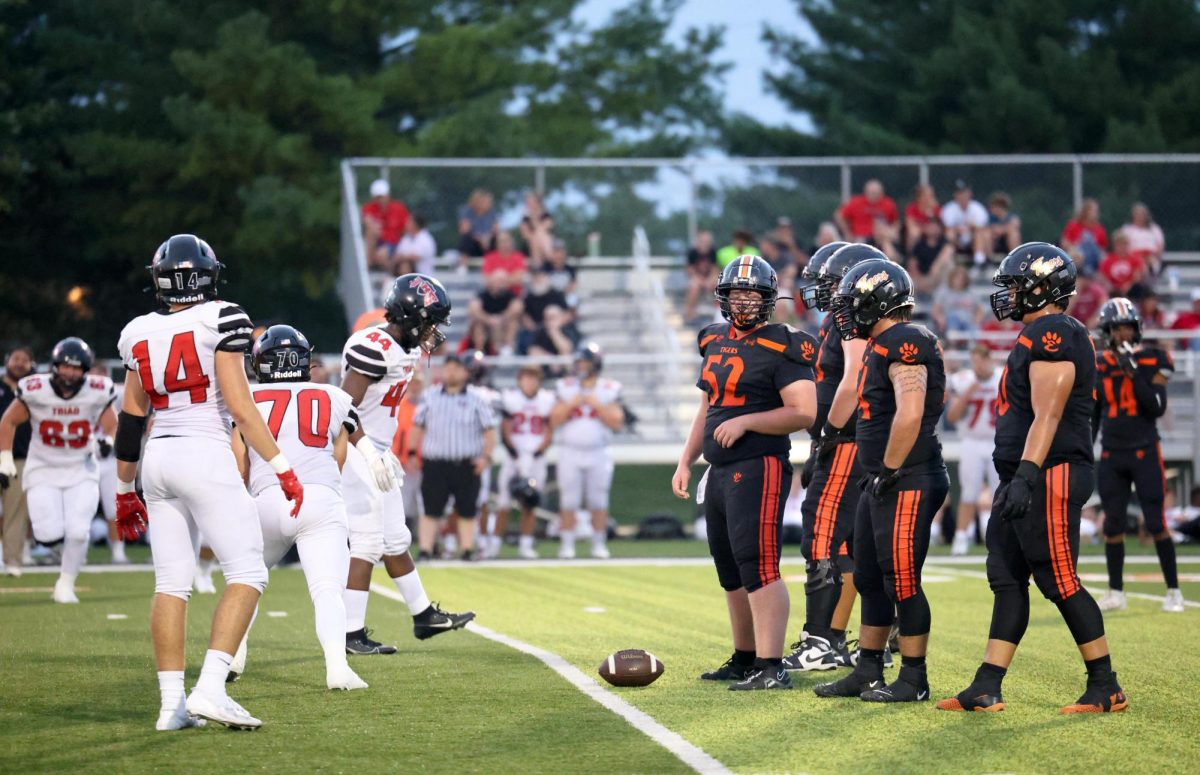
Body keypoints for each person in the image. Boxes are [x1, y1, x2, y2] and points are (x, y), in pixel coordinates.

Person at [114, 234, 305, 730]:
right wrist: (282, 467)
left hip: (157, 459)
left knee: (170, 584)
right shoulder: (223, 317)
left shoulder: (137, 330)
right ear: (208, 274)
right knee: (248, 573)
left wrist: (122, 487)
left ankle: (171, 706)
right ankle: (211, 688)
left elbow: (131, 418)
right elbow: (241, 406)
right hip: (205, 451)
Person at [939, 242, 1127, 715]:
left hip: (1049, 472)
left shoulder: (1054, 331)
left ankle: (1106, 685)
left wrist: (1026, 474)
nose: (1009, 293)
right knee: (1005, 575)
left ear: (1046, 288)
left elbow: (1049, 413)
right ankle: (987, 685)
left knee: (1058, 577)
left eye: (1018, 284)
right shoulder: (1037, 332)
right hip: (1024, 474)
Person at [673, 255, 817, 691]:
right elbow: (708, 408)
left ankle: (772, 665)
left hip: (760, 464)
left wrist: (748, 422)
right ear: (723, 297)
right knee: (730, 568)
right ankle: (745, 657)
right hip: (719, 469)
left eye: (752, 294)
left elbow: (804, 411)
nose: (744, 302)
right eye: (737, 294)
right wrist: (685, 460)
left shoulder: (785, 343)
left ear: (769, 299)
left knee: (758, 564)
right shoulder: (713, 339)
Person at [232, 325, 399, 690]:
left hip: (266, 499)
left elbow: (239, 460)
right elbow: (351, 435)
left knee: (245, 581)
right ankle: (337, 668)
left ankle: (233, 658)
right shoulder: (330, 395)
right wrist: (373, 460)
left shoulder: (246, 397)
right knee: (327, 590)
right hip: (319, 500)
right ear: (304, 360)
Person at [814, 258, 949, 704]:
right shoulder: (880, 342)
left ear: (878, 301)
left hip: (907, 477)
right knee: (870, 577)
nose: (847, 312)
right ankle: (867, 669)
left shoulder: (906, 340)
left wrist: (889, 467)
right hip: (884, 478)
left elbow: (910, 412)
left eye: (854, 302)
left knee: (902, 579)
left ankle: (914, 678)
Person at [339, 274, 474, 655]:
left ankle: (423, 615)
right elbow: (342, 411)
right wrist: (368, 452)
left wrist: (381, 450)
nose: (434, 330)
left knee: (396, 539)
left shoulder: (408, 348)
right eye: (430, 321)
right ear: (410, 317)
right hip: (354, 448)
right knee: (366, 544)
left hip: (377, 449)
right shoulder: (374, 346)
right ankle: (350, 635)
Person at [786, 242, 875, 673]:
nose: (822, 289)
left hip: (847, 441)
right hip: (848, 441)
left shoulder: (853, 321)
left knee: (820, 535)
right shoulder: (842, 321)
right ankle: (836, 638)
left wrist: (829, 435)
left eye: (830, 281)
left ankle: (818, 640)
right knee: (847, 545)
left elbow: (854, 377)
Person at [0, 338, 116, 602]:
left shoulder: (97, 389)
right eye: (66, 366)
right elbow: (8, 421)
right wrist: (5, 458)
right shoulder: (35, 388)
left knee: (78, 531)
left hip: (81, 468)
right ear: (55, 366)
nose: (70, 373)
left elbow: (111, 421)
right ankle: (50, 547)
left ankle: (66, 584)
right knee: (47, 534)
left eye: (77, 368)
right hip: (43, 468)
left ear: (85, 371)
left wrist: (108, 440)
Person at [1092, 299, 1183, 613]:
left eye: (1127, 327)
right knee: (1113, 525)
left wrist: (1133, 374)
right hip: (1112, 452)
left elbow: (1155, 407)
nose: (1123, 334)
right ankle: (1116, 592)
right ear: (1108, 331)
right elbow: (1094, 414)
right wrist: (1083, 451)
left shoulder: (1155, 358)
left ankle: (1173, 590)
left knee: (1156, 522)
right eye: (1117, 329)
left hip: (1145, 450)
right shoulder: (1099, 364)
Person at [413, 354, 497, 561]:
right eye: (447, 367)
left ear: (465, 372)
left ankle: (467, 548)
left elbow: (489, 430)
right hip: (436, 463)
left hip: (465, 462)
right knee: (431, 509)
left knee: (467, 509)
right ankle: (426, 548)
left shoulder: (477, 399)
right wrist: (412, 452)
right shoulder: (430, 396)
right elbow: (417, 425)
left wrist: (486, 457)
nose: (450, 372)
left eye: (455, 368)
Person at [551, 343, 624, 560]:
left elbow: (616, 422)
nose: (580, 366)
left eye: (585, 362)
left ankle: (598, 544)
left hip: (598, 451)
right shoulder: (565, 386)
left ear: (595, 364)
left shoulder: (609, 388)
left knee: (598, 500)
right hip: (570, 451)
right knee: (569, 500)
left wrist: (597, 404)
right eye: (579, 362)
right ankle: (567, 544)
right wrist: (573, 402)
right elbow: (554, 420)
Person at [946, 344, 1002, 556]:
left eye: (982, 361)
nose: (978, 366)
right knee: (969, 493)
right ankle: (961, 537)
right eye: (975, 361)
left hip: (997, 441)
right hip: (972, 441)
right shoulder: (964, 380)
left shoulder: (1002, 377)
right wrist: (970, 392)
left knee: (1000, 493)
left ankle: (1001, 538)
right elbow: (952, 417)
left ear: (990, 360)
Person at [497, 365, 555, 559]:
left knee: (531, 502)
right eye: (527, 378)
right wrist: (514, 453)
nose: (530, 382)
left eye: (534, 378)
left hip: (536, 458)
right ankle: (494, 544)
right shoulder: (511, 398)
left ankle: (526, 544)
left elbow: (549, 430)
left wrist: (538, 453)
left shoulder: (546, 399)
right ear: (520, 379)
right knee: (503, 502)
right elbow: (505, 429)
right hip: (514, 456)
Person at [0, 346, 34, 576]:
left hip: (20, 458)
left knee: (16, 513)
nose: (19, 363)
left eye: (25, 360)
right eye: (16, 358)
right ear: (7, 360)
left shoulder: (33, 391)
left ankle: (13, 561)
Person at [468, 270, 524, 354]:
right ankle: (480, 350)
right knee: (478, 325)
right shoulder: (483, 294)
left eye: (503, 281)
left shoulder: (509, 294)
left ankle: (507, 349)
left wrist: (502, 318)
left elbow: (518, 306)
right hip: (487, 323)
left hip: (504, 322)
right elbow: (473, 308)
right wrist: (489, 319)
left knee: (513, 323)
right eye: (499, 281)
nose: (501, 284)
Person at [361, 179, 410, 272]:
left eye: (382, 196)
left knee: (382, 254)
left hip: (393, 243)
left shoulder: (398, 208)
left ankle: (389, 271)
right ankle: (370, 262)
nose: (380, 200)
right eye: (378, 197)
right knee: (371, 232)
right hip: (377, 242)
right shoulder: (369, 207)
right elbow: (368, 223)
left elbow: (406, 228)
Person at [835, 179, 898, 248]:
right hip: (861, 238)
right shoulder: (856, 203)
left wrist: (893, 231)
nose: (875, 196)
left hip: (881, 237)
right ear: (866, 192)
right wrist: (847, 233)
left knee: (886, 240)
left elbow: (895, 222)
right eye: (872, 193)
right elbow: (839, 215)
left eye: (877, 193)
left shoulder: (888, 204)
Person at [941, 180, 990, 267]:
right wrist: (959, 229)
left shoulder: (977, 208)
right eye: (959, 193)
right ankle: (950, 263)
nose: (962, 195)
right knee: (950, 233)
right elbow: (947, 228)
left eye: (964, 192)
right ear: (955, 195)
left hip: (973, 241)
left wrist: (971, 228)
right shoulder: (949, 209)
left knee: (981, 234)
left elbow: (982, 228)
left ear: (969, 193)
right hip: (957, 241)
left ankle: (980, 263)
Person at [931, 265, 984, 340]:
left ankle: (972, 344)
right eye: (957, 278)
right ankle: (953, 345)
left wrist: (977, 320)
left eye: (962, 279)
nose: (960, 281)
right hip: (949, 321)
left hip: (968, 320)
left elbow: (980, 310)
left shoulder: (972, 292)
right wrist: (940, 319)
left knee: (974, 327)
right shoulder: (943, 290)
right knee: (954, 317)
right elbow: (935, 309)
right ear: (952, 278)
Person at [906, 218, 955, 296]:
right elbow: (912, 264)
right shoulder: (919, 244)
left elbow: (949, 251)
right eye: (930, 226)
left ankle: (945, 294)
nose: (933, 229)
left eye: (935, 226)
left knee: (948, 263)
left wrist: (936, 266)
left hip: (939, 277)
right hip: (922, 278)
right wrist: (920, 279)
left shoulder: (944, 242)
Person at [1061, 198, 1108, 273]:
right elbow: (1064, 242)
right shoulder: (1074, 225)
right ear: (1085, 211)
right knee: (1076, 254)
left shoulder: (1099, 229)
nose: (1096, 213)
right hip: (1077, 253)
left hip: (1093, 256)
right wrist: (1075, 247)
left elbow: (1102, 248)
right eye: (1093, 210)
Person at [684, 230, 719, 321]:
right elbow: (690, 271)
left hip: (708, 278)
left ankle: (719, 310)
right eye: (703, 241)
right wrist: (701, 281)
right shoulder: (693, 253)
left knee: (718, 285)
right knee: (694, 286)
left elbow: (714, 269)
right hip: (697, 278)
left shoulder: (712, 252)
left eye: (708, 242)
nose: (705, 244)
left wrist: (710, 280)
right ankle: (690, 313)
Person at [1122, 202, 1164, 276]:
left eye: (1142, 214)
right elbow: (1122, 245)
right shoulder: (1127, 229)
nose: (1139, 217)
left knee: (1151, 263)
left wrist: (1154, 255)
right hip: (1132, 257)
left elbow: (1160, 245)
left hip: (1151, 257)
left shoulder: (1154, 228)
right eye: (1137, 214)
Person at [1099, 230, 1146, 296]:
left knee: (1138, 287)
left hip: (1130, 288)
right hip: (1113, 289)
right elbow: (1102, 275)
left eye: (1124, 244)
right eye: (1119, 245)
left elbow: (1137, 276)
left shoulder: (1134, 259)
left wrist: (1128, 285)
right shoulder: (1107, 260)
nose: (1122, 247)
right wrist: (1110, 286)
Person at [482, 231, 529, 296]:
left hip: (513, 294)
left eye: (506, 240)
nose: (503, 243)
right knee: (475, 304)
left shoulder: (518, 257)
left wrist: (498, 279)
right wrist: (509, 278)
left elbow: (519, 278)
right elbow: (487, 279)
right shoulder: (489, 257)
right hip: (493, 294)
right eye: (501, 241)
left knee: (516, 305)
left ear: (511, 242)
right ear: (497, 244)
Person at [457, 188, 499, 258]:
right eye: (487, 201)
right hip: (473, 243)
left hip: (488, 242)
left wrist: (487, 237)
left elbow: (496, 230)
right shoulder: (467, 211)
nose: (490, 203)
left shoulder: (492, 212)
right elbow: (464, 230)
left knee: (498, 240)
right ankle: (463, 265)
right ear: (478, 201)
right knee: (466, 239)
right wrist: (480, 238)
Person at [903, 184, 940, 253]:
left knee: (933, 231)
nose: (931, 197)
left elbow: (938, 226)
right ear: (920, 197)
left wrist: (930, 214)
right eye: (928, 195)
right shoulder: (912, 208)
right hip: (920, 233)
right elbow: (910, 225)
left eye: (932, 195)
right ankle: (911, 256)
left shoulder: (935, 208)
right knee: (914, 233)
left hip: (933, 234)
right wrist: (925, 229)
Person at [986, 192, 1022, 257]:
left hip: (1006, 244)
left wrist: (999, 230)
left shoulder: (1012, 217)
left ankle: (1015, 257)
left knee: (1013, 233)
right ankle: (989, 260)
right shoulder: (990, 218)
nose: (991, 209)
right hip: (995, 244)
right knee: (987, 234)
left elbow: (1014, 226)